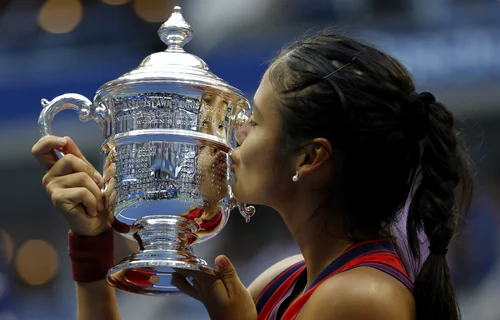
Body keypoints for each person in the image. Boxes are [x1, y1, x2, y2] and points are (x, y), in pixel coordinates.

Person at [32, 29, 473, 320]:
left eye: (255, 121)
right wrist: (91, 248)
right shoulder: (283, 279)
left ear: (309, 159)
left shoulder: (362, 299)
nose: (236, 131)